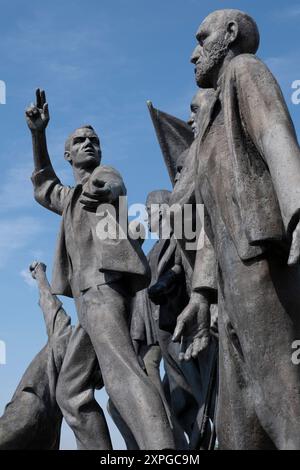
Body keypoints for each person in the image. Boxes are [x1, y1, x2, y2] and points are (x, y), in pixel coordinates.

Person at [174, 9, 300, 449]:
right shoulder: (209, 127)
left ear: (229, 35)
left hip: (260, 266)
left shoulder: (245, 70)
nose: (193, 54)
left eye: (201, 37)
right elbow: (210, 220)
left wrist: (298, 212)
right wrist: (201, 295)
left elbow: (275, 135)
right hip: (230, 286)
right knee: (239, 428)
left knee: (285, 402)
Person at [25, 89, 175, 450]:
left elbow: (114, 186)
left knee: (122, 374)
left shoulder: (102, 176)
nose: (88, 143)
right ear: (68, 154)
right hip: (86, 298)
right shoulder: (71, 197)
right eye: (80, 140)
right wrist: (38, 134)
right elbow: (44, 185)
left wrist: (106, 189)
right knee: (71, 391)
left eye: (94, 140)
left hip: (104, 288)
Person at [0, 262, 74, 449]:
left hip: (46, 420)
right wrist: (40, 276)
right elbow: (50, 305)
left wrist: (40, 275)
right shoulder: (65, 339)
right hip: (32, 408)